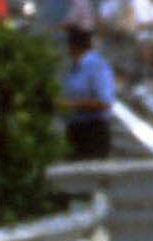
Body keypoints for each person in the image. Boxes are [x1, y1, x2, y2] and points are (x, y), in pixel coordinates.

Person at [60, 20, 116, 160]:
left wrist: (71, 105)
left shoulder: (96, 66)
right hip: (75, 130)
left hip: (93, 131)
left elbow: (104, 102)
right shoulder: (74, 68)